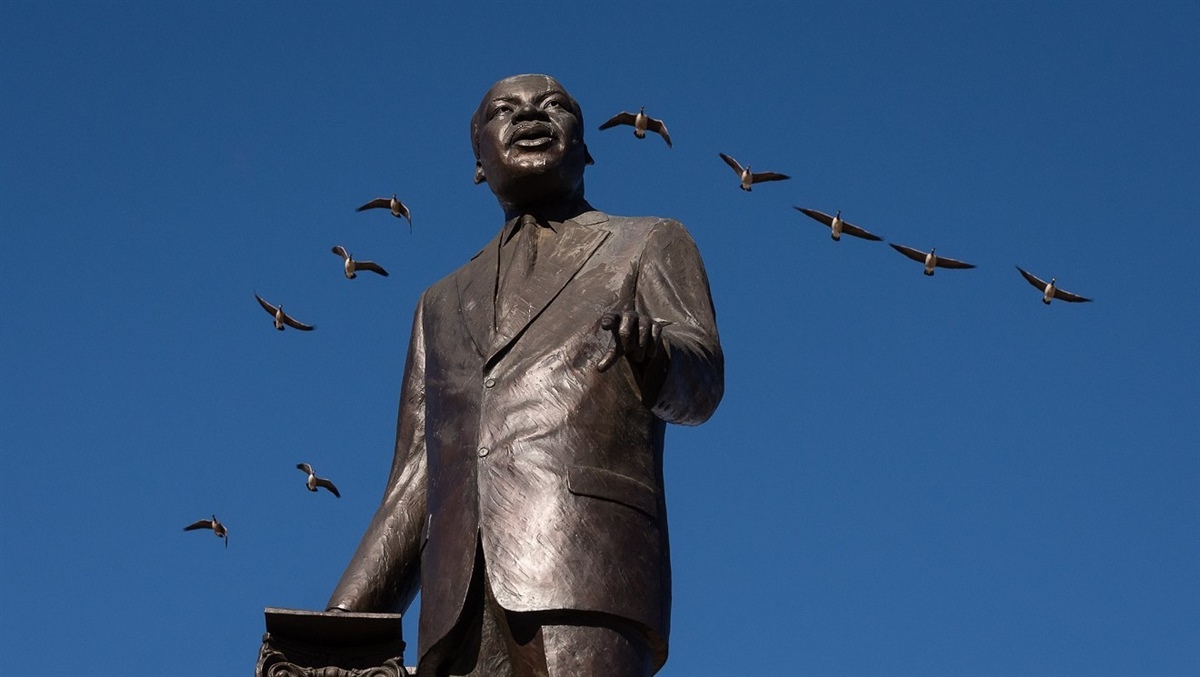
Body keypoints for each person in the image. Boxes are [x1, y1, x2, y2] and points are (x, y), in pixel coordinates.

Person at [326, 74, 724, 676]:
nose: (532, 116)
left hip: (584, 565)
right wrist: (342, 620)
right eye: (503, 111)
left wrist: (658, 358)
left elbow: (704, 380)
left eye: (554, 105)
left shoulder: (647, 242)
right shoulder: (438, 302)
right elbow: (416, 477)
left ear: (587, 146)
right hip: (456, 602)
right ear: (477, 164)